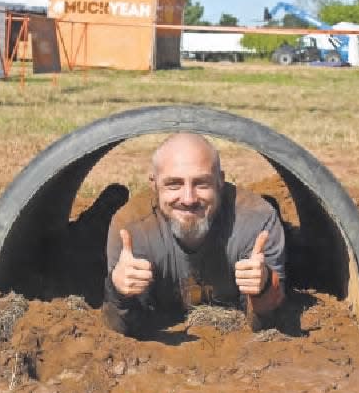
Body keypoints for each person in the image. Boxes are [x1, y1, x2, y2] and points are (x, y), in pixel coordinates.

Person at [101, 133, 286, 336]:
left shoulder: (257, 222)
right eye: (174, 184)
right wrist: (118, 291)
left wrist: (264, 285)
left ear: (220, 182)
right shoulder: (131, 228)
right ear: (154, 184)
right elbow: (124, 328)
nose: (188, 199)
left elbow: (270, 324)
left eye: (201, 184)